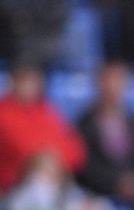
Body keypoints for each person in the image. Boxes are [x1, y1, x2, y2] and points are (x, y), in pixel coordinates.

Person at [75, 61, 134, 208]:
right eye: (111, 80)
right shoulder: (86, 122)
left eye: (121, 80)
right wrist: (118, 183)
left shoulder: (131, 121)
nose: (116, 87)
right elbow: (86, 167)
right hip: (99, 194)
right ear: (100, 83)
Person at [0, 64, 86, 195]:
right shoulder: (4, 112)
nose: (29, 86)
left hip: (58, 182)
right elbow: (22, 148)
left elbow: (76, 152)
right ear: (13, 82)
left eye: (33, 80)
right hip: (15, 189)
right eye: (24, 80)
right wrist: (45, 158)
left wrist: (53, 160)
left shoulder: (48, 109)